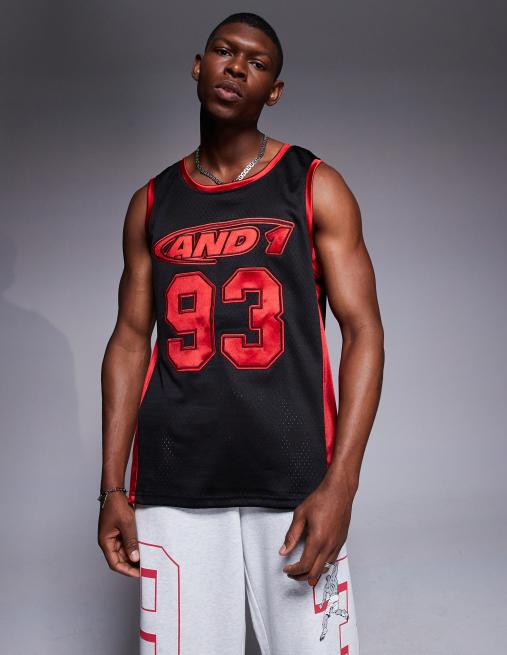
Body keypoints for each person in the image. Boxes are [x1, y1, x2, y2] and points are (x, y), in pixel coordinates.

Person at [98, 11, 384, 654]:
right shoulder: (152, 202)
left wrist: (341, 484)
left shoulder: (314, 185)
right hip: (173, 480)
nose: (236, 67)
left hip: (296, 478)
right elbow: (129, 339)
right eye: (225, 52)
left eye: (257, 63)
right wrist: (113, 486)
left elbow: (364, 330)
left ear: (273, 91)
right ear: (198, 66)